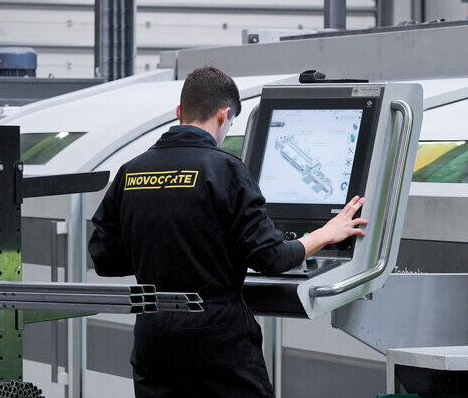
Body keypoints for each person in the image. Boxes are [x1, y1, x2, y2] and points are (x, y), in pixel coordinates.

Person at [89, 66, 367, 397]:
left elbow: (104, 257)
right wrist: (325, 233)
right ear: (224, 115)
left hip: (154, 333)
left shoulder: (132, 172)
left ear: (180, 112)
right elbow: (271, 258)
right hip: (216, 334)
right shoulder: (226, 170)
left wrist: (161, 254)